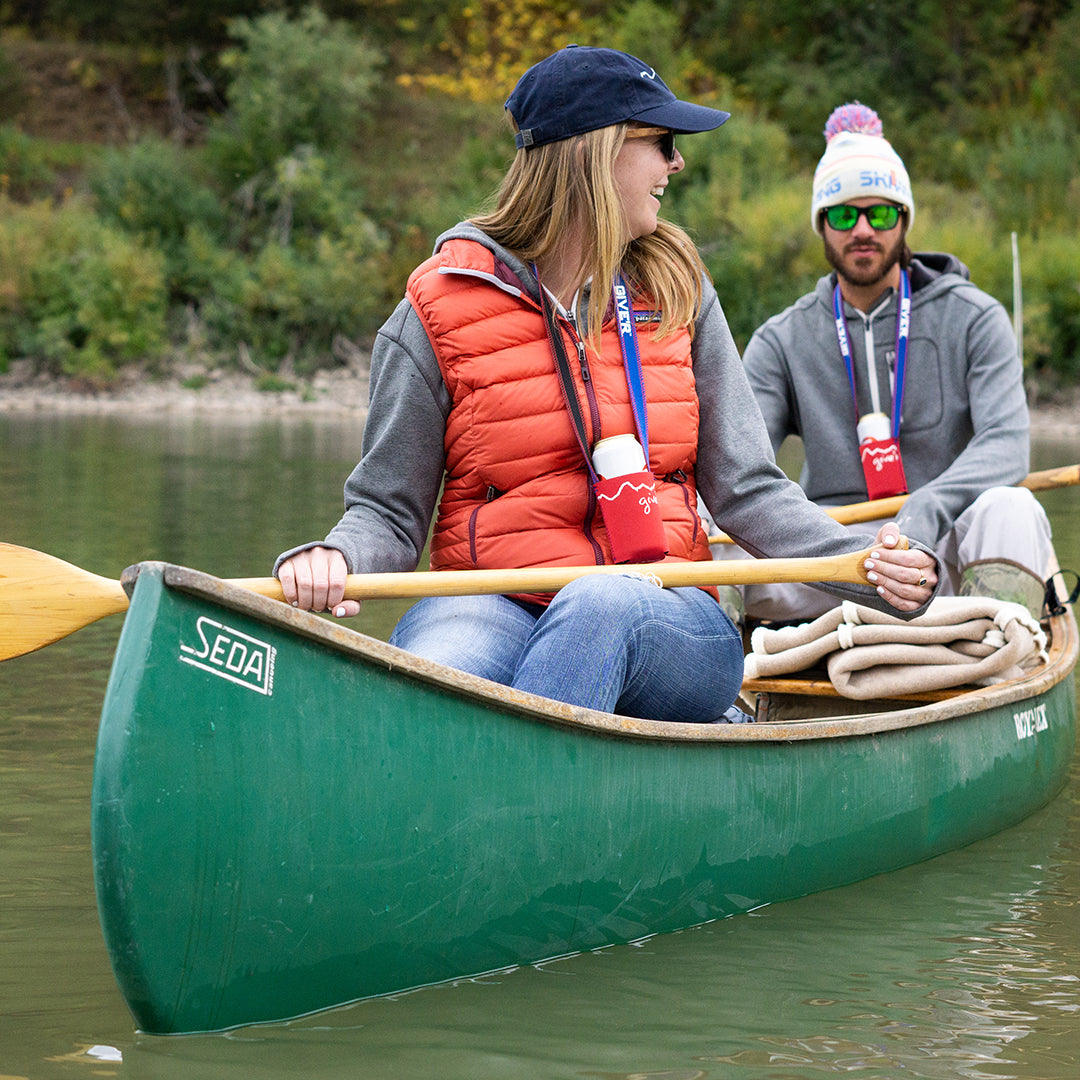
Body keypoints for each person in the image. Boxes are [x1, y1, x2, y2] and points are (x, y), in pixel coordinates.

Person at [274, 49, 936, 724]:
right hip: (489, 600)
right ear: (598, 151)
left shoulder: (681, 290)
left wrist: (865, 565)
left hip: (666, 609)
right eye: (662, 143)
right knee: (440, 672)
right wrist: (334, 554)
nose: (675, 165)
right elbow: (387, 512)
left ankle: (526, 804)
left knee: (601, 602)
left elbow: (748, 489)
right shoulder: (437, 306)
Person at [713, 102, 1050, 625]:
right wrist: (838, 549)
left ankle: (999, 661)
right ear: (822, 225)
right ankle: (719, 687)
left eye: (882, 212)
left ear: (904, 219)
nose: (863, 229)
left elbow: (1006, 444)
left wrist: (926, 511)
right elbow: (738, 468)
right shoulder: (781, 338)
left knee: (1014, 508)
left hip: (944, 548)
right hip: (834, 559)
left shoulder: (977, 317)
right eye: (845, 214)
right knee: (717, 536)